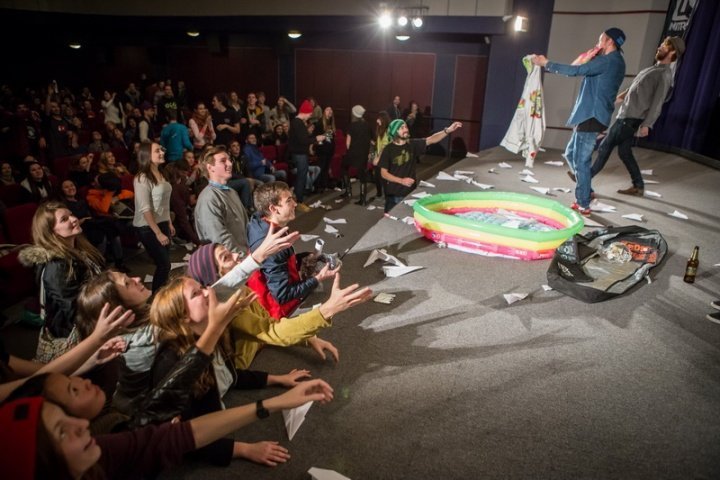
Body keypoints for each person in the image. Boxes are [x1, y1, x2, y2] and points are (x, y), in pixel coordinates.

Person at [0, 380, 334, 479]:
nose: (80, 424)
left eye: (66, 417)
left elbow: (180, 436)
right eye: (62, 432)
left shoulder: (99, 451)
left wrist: (273, 403)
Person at [149, 276, 312, 466]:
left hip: (219, 419)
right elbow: (184, 437)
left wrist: (277, 379)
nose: (208, 292)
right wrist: (243, 449)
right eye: (196, 293)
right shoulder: (172, 364)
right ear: (184, 316)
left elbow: (229, 376)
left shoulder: (211, 333)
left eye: (203, 287)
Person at [188, 240, 371, 367]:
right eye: (226, 257)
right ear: (216, 280)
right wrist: (328, 309)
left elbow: (268, 322)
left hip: (260, 349)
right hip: (247, 367)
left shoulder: (242, 289)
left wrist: (308, 339)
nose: (237, 255)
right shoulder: (229, 307)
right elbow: (271, 330)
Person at [531, 28, 627, 216]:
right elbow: (579, 69)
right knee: (570, 153)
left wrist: (546, 63)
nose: (598, 42)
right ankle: (586, 189)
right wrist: (588, 57)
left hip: (591, 115)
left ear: (609, 41)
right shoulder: (618, 62)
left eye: (601, 38)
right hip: (593, 114)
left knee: (581, 160)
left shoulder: (606, 61)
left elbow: (575, 70)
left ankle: (583, 203)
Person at [590, 36, 685, 196]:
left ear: (672, 52)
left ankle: (585, 177)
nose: (659, 47)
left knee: (605, 146)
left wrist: (647, 124)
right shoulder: (653, 70)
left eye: (664, 46)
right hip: (627, 116)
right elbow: (633, 89)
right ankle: (638, 186)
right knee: (624, 152)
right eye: (661, 44)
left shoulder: (664, 75)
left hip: (630, 119)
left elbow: (657, 103)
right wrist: (616, 99)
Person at [18, 202, 104, 358]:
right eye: (64, 219)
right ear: (51, 232)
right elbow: (74, 310)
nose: (74, 219)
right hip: (73, 334)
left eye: (71, 214)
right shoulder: (57, 266)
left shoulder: (78, 250)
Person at [247, 181, 343, 319]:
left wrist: (305, 257)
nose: (295, 204)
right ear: (273, 209)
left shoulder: (260, 223)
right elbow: (282, 295)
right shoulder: (273, 246)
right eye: (289, 201)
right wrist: (317, 278)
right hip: (278, 313)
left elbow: (278, 265)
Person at [380, 119, 463, 213]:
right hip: (394, 195)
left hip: (410, 192)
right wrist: (402, 181)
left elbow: (431, 139)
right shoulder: (388, 150)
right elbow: (384, 173)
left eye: (406, 127)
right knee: (391, 218)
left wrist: (447, 130)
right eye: (402, 128)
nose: (406, 129)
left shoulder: (412, 144)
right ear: (395, 131)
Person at [132, 141, 174, 293]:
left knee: (165, 264)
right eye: (157, 151)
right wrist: (158, 232)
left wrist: (169, 222)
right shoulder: (142, 178)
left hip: (161, 223)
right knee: (164, 265)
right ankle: (156, 297)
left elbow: (164, 202)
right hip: (147, 227)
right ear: (147, 155)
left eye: (161, 150)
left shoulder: (161, 173)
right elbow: (145, 209)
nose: (162, 152)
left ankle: (163, 294)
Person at [194, 145, 251, 255]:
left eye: (229, 160)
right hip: (230, 260)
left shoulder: (231, 192)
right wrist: (243, 257)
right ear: (210, 167)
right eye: (223, 161)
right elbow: (218, 239)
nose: (230, 164)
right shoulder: (208, 198)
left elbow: (245, 225)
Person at [288, 99, 326, 212]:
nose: (310, 116)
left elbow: (304, 138)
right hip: (299, 154)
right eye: (310, 114)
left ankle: (297, 199)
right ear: (305, 112)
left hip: (300, 153)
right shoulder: (298, 123)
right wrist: (316, 139)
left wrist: (314, 139)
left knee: (302, 177)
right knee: (301, 177)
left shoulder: (298, 122)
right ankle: (299, 201)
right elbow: (303, 140)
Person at [342, 105, 373, 205]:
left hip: (353, 153)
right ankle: (363, 199)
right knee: (362, 175)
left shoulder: (351, 126)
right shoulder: (367, 125)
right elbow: (372, 140)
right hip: (363, 153)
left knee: (344, 167)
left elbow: (347, 143)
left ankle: (348, 191)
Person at [372, 111, 391, 201]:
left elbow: (384, 146)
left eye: (379, 119)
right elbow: (380, 144)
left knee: (383, 178)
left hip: (384, 157)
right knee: (377, 176)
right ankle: (379, 194)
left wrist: (378, 158)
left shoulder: (387, 130)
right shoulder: (380, 129)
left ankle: (386, 196)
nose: (377, 120)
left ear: (383, 119)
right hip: (380, 155)